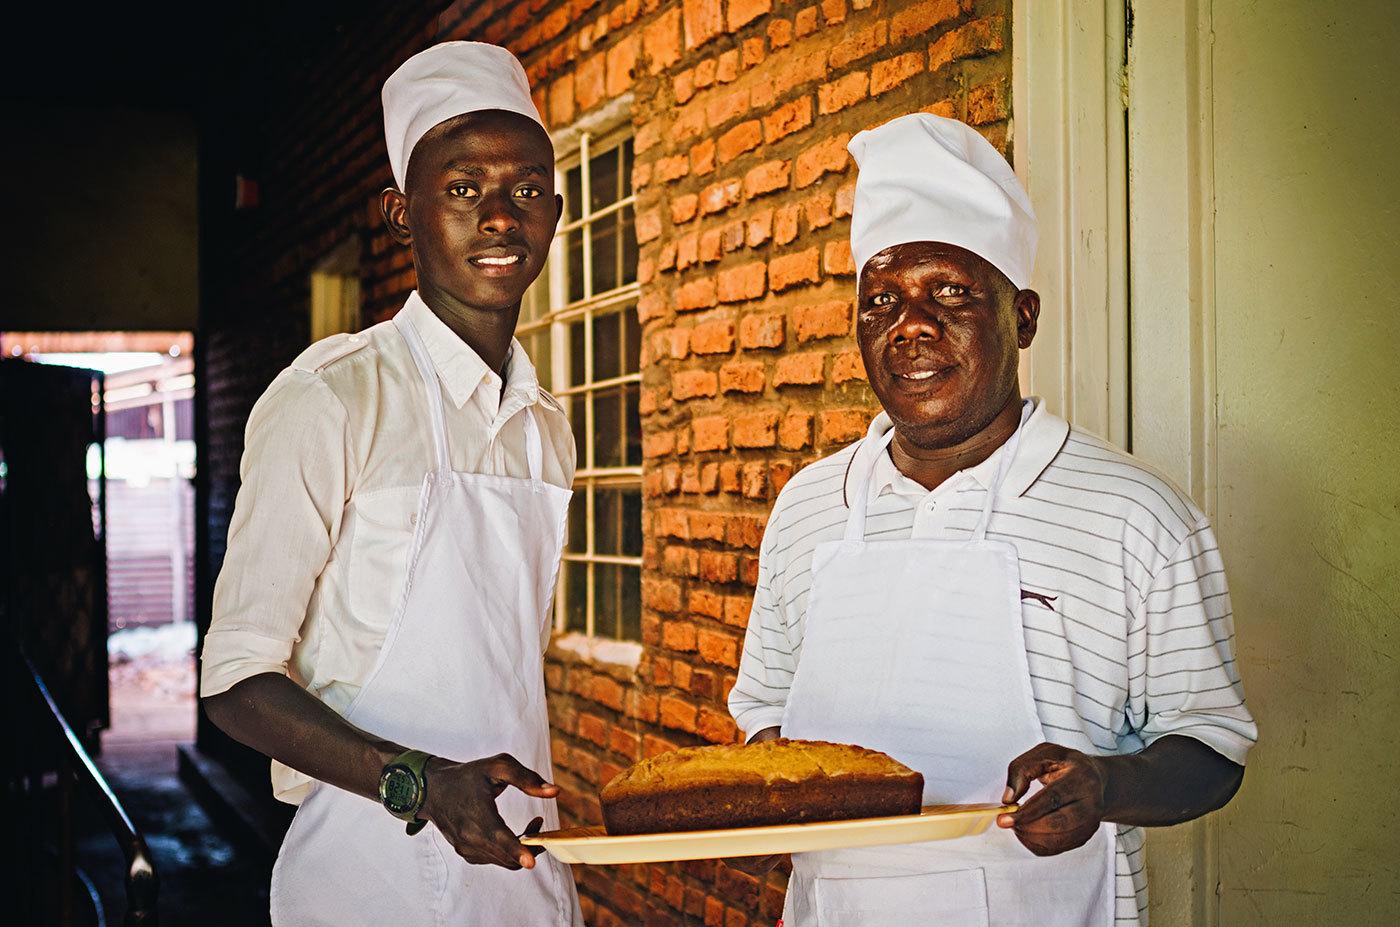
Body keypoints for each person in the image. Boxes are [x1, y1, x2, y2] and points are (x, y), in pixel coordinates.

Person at [727, 113, 1255, 926]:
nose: (911, 326)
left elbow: (1211, 750)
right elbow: (763, 711)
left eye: (951, 293)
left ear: (1024, 317)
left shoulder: (1135, 513)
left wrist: (1104, 783)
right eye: (882, 301)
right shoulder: (807, 507)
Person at [200, 41, 584, 926]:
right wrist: (416, 784)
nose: (497, 216)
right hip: (365, 871)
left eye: (525, 190)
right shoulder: (332, 398)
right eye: (461, 187)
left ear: (556, 213)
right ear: (399, 213)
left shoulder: (546, 430)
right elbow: (234, 680)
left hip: (519, 864)